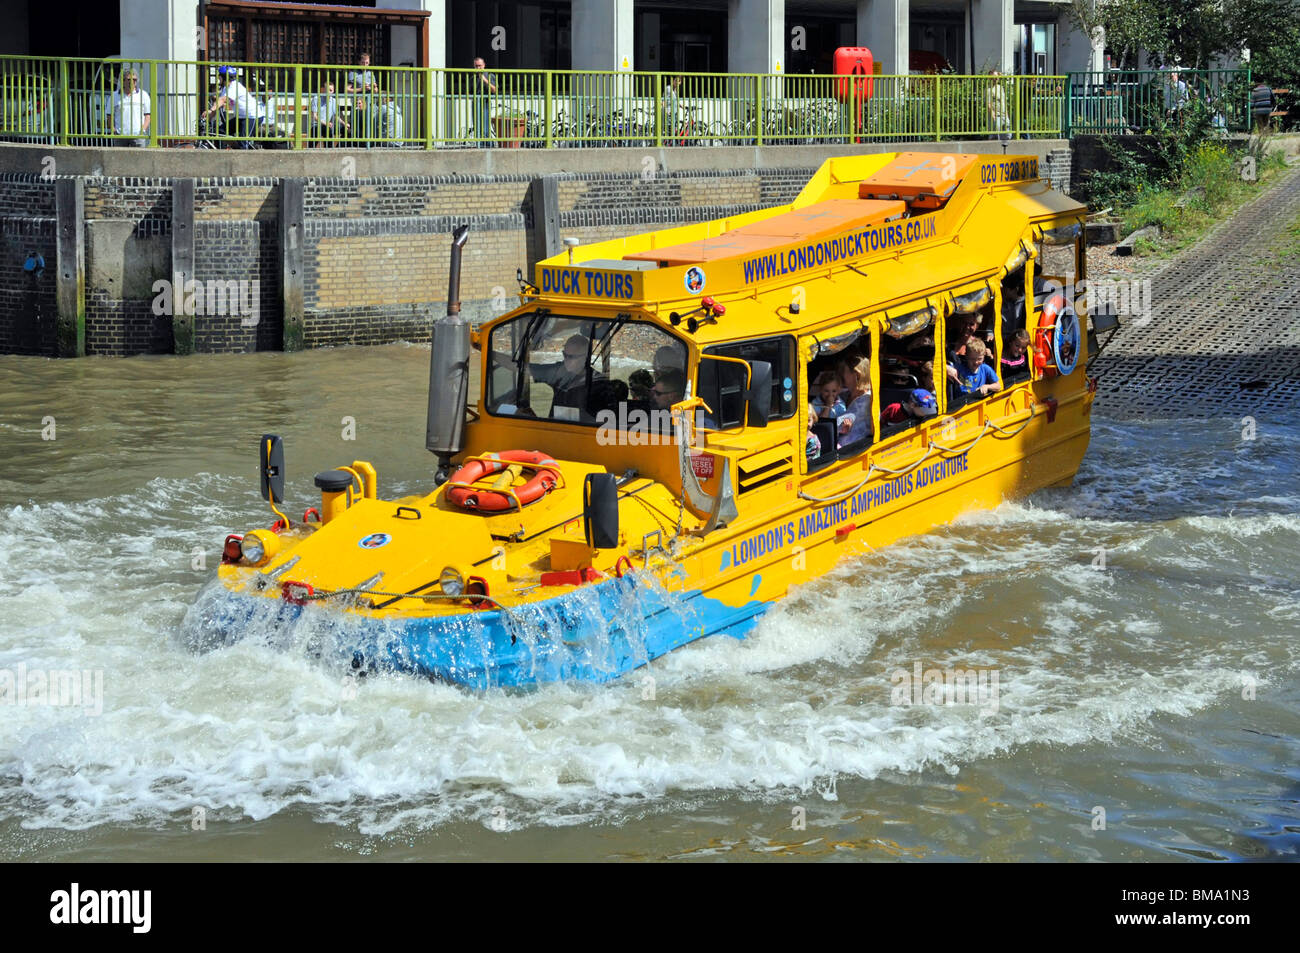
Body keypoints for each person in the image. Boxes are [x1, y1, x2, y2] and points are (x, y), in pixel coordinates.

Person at [530, 334, 600, 412]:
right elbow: (528, 369)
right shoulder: (558, 371)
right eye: (564, 355)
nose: (566, 360)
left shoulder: (597, 382)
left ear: (586, 357)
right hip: (555, 423)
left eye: (571, 357)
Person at [204, 66, 268, 147]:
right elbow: (219, 104)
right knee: (220, 132)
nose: (218, 79)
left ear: (224, 77)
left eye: (219, 76)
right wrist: (207, 119)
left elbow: (222, 100)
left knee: (243, 140)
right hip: (241, 117)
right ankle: (231, 150)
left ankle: (244, 156)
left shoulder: (234, 86)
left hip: (253, 116)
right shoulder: (225, 88)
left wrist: (210, 110)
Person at [836, 355, 873, 448]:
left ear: (856, 375)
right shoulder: (846, 394)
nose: (841, 376)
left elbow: (837, 425)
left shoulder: (866, 402)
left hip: (852, 450)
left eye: (844, 372)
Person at [112, 69, 151, 147]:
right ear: (122, 81)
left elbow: (148, 115)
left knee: (139, 158)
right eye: (129, 79)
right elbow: (109, 115)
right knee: (120, 159)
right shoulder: (114, 96)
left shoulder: (144, 95)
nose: (133, 82)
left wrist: (142, 130)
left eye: (135, 79)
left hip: (138, 135)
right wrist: (114, 131)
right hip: (120, 135)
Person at [310, 80, 348, 145]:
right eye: (327, 90)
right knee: (328, 130)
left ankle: (338, 148)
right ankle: (329, 150)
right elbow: (314, 116)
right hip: (317, 125)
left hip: (328, 125)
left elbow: (336, 116)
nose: (329, 92)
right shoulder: (316, 99)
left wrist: (344, 123)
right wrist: (326, 123)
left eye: (331, 90)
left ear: (333, 91)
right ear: (323, 90)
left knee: (347, 130)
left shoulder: (334, 101)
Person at [472, 56, 498, 148]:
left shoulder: (490, 75)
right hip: (475, 101)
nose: (478, 68)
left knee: (485, 123)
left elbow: (494, 90)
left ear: (484, 65)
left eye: (480, 65)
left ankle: (487, 144)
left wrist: (484, 80)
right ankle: (479, 143)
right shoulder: (473, 77)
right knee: (476, 123)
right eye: (476, 66)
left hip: (485, 102)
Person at [986, 69, 1010, 141]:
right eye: (994, 77)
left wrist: (1007, 113)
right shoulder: (989, 89)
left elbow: (1003, 101)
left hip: (1004, 114)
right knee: (996, 136)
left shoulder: (1000, 87)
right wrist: (993, 115)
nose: (996, 78)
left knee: (1008, 135)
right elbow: (988, 104)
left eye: (997, 76)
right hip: (997, 115)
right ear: (990, 78)